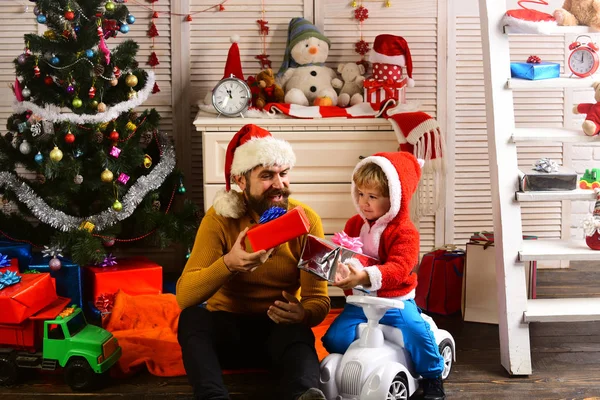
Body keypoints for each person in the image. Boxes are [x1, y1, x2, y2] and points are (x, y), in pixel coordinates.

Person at [176, 124, 330, 400]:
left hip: (277, 333)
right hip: (228, 332)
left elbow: (318, 300)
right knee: (192, 319)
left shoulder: (308, 221)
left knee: (299, 335)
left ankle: (304, 393)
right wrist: (229, 264)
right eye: (267, 176)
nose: (279, 184)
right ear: (241, 180)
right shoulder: (219, 219)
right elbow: (185, 295)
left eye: (283, 174)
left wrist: (304, 314)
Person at [322, 151, 446, 400]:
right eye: (360, 194)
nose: (364, 202)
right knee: (335, 338)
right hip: (361, 302)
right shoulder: (355, 224)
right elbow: (347, 254)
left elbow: (400, 267)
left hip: (395, 300)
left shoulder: (405, 231)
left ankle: (432, 376)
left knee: (416, 331)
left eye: (372, 197)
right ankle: (358, 370)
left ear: (394, 199)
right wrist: (335, 268)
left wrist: (364, 276)